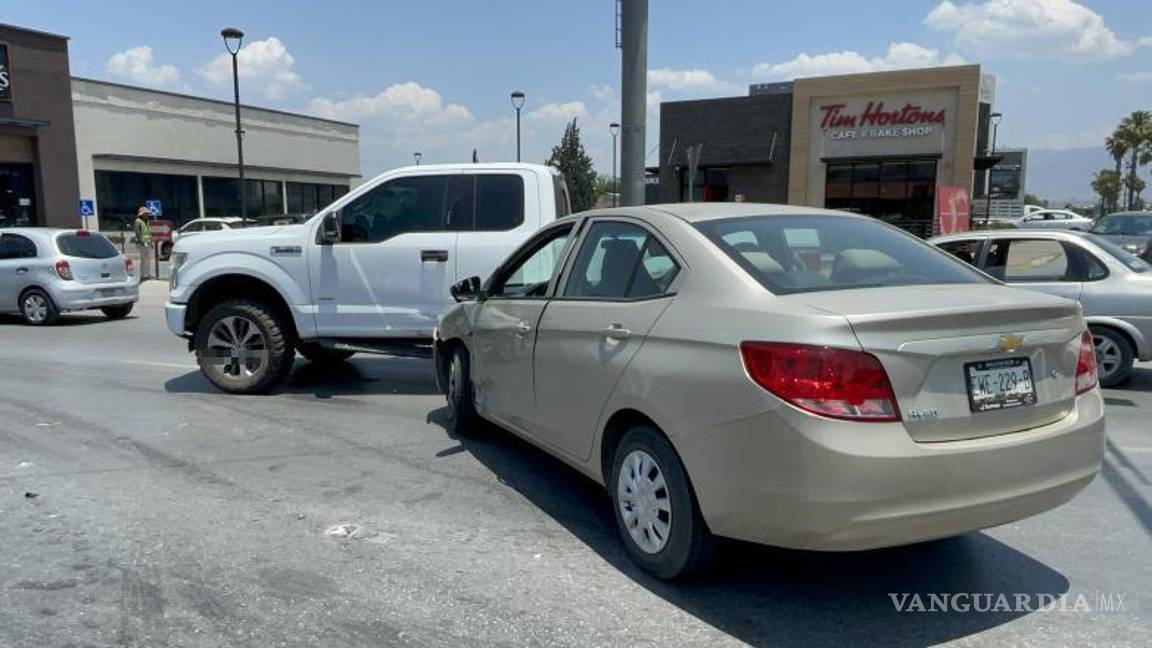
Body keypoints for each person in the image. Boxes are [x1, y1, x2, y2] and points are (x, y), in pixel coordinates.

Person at [133, 206, 153, 280]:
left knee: (148, 259)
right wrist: (142, 242)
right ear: (142, 214)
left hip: (147, 242)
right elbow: (138, 234)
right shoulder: (137, 221)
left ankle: (147, 274)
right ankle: (143, 275)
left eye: (147, 213)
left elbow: (148, 232)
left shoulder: (146, 221)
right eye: (146, 213)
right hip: (141, 243)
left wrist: (151, 241)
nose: (147, 215)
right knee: (144, 259)